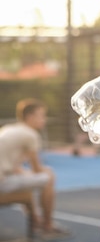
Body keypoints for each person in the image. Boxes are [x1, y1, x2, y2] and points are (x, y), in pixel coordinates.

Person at [0, 98, 72, 240]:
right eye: (41, 115)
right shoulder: (30, 134)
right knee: (49, 175)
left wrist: (26, 173)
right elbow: (37, 169)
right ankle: (47, 225)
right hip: (2, 183)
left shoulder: (8, 129)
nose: (44, 120)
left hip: (4, 177)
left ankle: (36, 222)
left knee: (29, 179)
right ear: (30, 117)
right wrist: (37, 171)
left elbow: (15, 167)